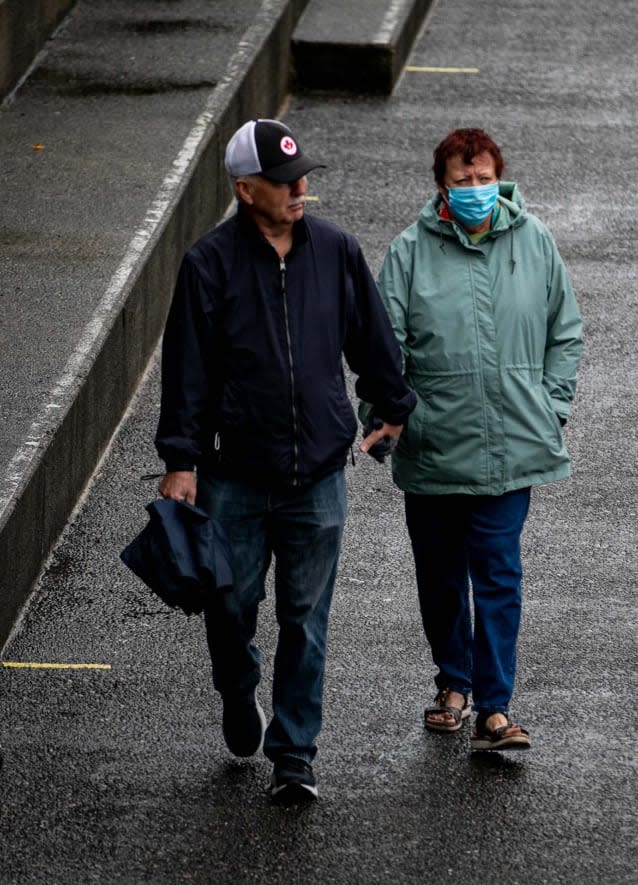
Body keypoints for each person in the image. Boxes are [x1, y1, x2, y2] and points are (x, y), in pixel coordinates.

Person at [155, 118, 416, 801]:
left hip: (318, 479)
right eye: (283, 180)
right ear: (246, 189)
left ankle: (295, 754)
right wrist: (180, 461)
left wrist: (391, 404)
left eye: (302, 177)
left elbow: (370, 334)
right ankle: (238, 691)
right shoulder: (208, 265)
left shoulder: (334, 251)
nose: (301, 189)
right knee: (230, 607)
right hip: (234, 479)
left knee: (306, 618)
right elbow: (186, 373)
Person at [367, 128, 582, 751]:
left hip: (511, 446)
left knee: (497, 573)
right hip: (432, 447)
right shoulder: (408, 252)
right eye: (463, 182)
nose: (475, 190)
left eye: (484, 179)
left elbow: (564, 330)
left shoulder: (534, 240)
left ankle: (493, 706)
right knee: (439, 577)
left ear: (500, 179)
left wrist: (553, 406)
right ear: (442, 187)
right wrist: (385, 413)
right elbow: (385, 348)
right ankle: (452, 683)